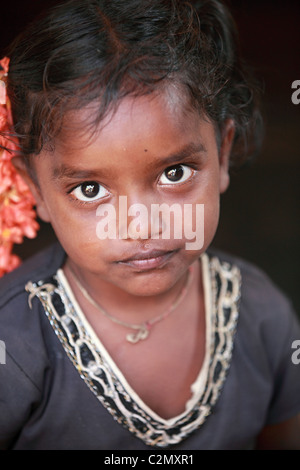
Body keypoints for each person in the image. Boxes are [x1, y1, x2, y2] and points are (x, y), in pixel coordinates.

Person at [0, 0, 299, 450]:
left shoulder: (263, 315)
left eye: (174, 173)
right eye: (89, 189)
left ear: (222, 153)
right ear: (34, 188)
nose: (140, 225)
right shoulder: (15, 342)